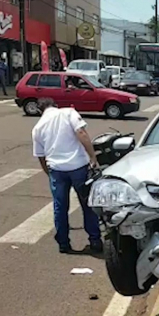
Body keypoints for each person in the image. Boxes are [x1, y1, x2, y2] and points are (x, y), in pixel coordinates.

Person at [31, 98, 102, 253]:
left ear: (39, 110)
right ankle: (95, 240)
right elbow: (81, 133)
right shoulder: (68, 113)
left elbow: (41, 157)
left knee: (60, 207)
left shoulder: (37, 128)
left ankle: (64, 243)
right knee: (87, 205)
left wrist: (49, 173)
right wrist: (93, 157)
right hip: (78, 167)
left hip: (57, 170)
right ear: (55, 105)